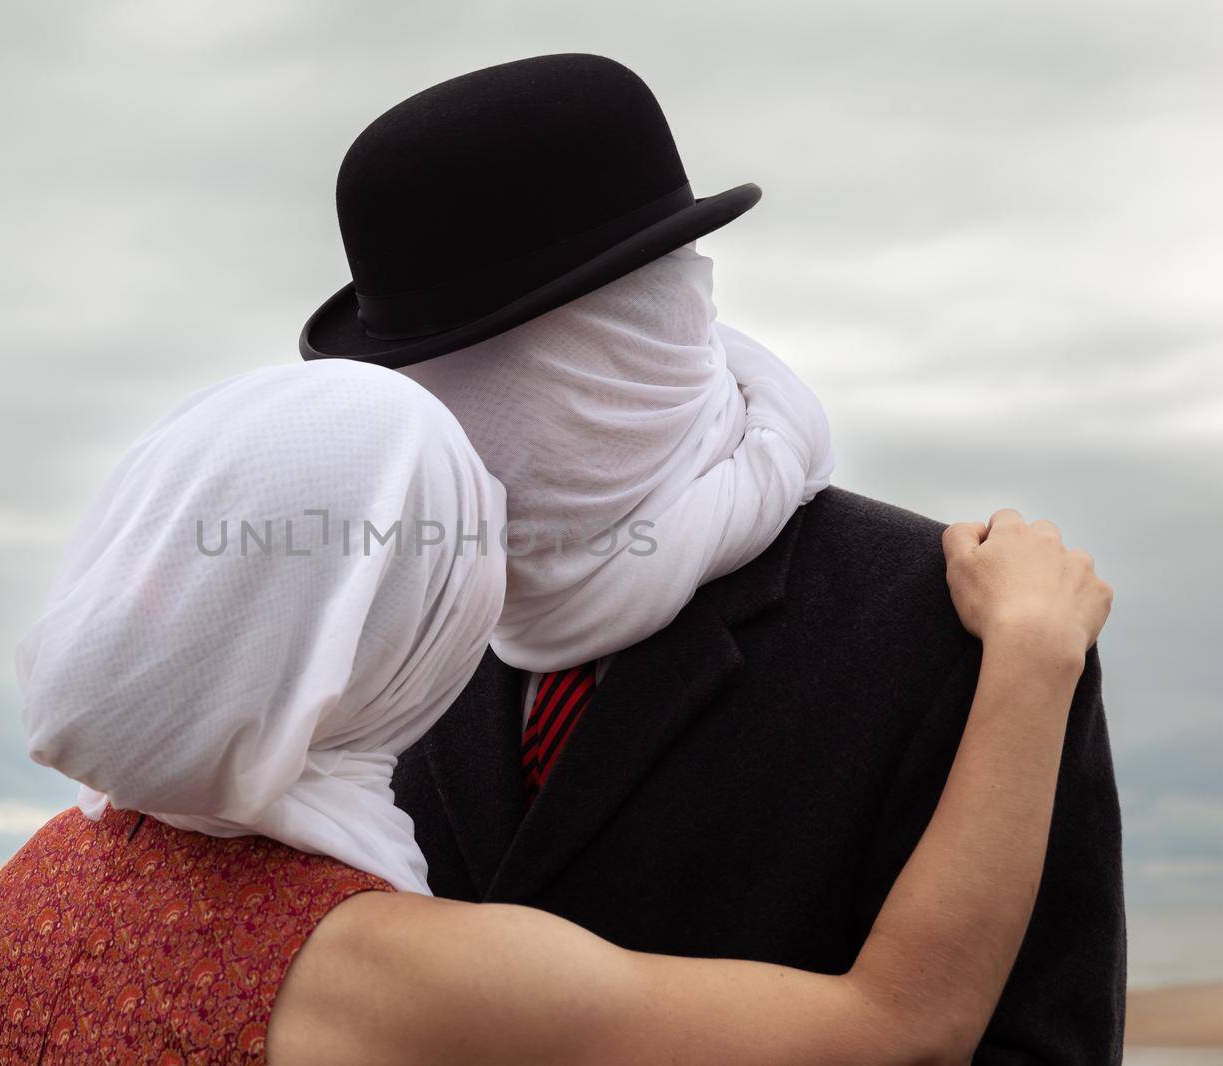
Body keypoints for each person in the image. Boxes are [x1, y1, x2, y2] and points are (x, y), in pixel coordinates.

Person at [0, 358, 1111, 1065]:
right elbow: (903, 1022)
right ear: (371, 639)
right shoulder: (406, 968)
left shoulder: (11, 908)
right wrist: (1031, 660)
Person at [299, 54, 1125, 1061]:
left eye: (489, 360)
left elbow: (1035, 1041)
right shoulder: (395, 644)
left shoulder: (955, 629)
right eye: (417, 376)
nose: (443, 426)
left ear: (635, 331)